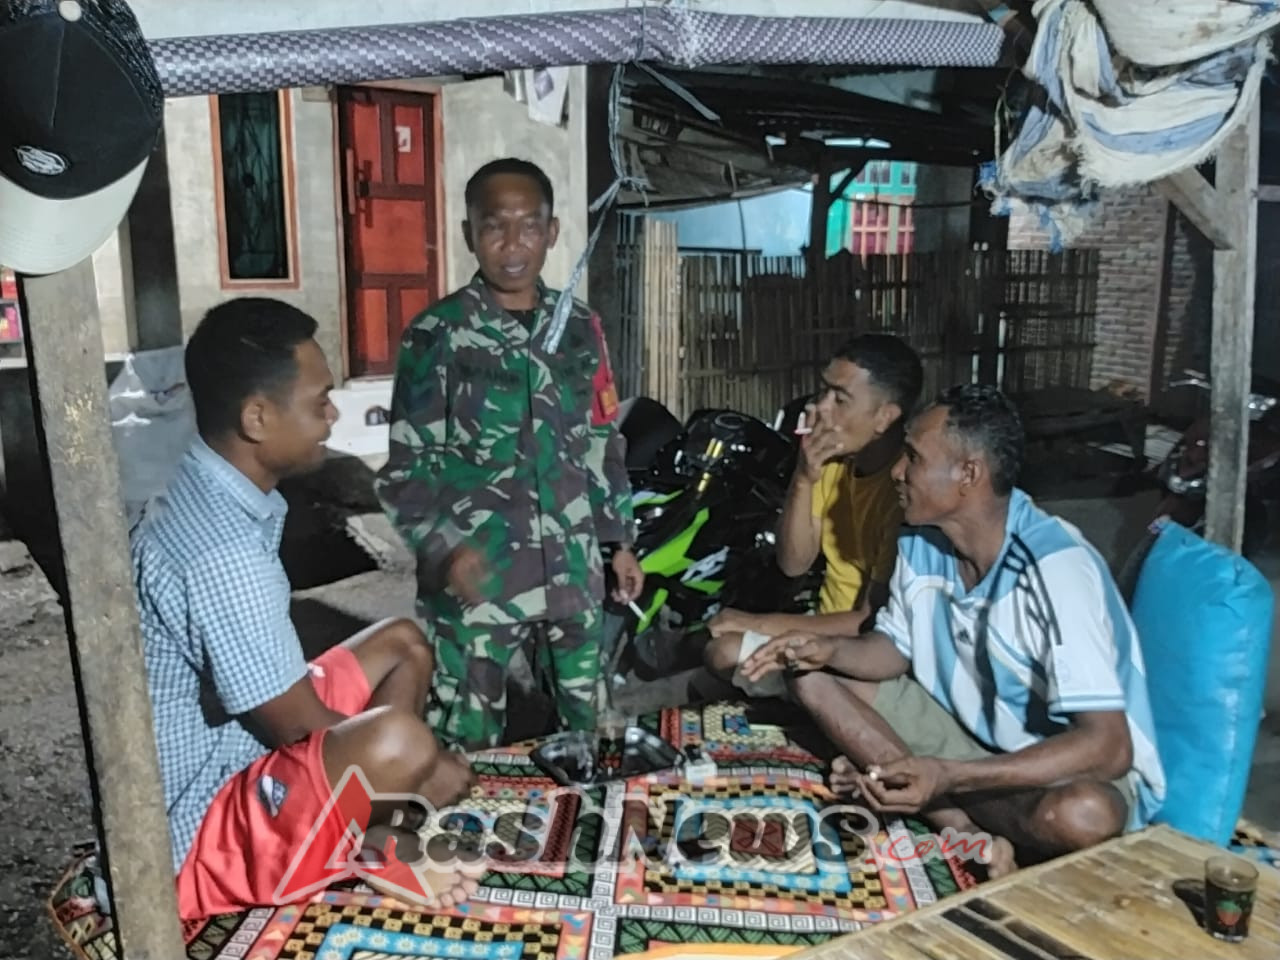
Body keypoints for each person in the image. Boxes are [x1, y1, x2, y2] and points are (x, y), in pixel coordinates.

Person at [132, 298, 478, 920]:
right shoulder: (221, 551)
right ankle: (377, 843)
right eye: (319, 399)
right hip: (196, 827)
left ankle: (374, 827)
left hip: (231, 748)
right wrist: (419, 777)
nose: (333, 412)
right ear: (258, 417)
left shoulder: (210, 489)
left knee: (402, 642)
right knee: (402, 741)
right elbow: (296, 729)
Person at [740, 384, 1166, 875]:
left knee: (1081, 815)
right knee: (808, 675)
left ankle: (928, 792)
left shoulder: (1054, 568)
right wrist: (823, 647)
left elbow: (1109, 749)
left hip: (1056, 768)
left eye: (914, 459)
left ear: (968, 475)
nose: (897, 471)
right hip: (966, 739)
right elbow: (891, 652)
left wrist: (948, 775)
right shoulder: (920, 541)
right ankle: (962, 831)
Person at [375, 158, 643, 751]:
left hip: (573, 570)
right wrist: (446, 551)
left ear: (552, 232)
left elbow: (601, 438)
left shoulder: (580, 327)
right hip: (479, 577)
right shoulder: (436, 335)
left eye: (529, 226)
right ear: (470, 234)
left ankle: (583, 837)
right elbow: (406, 468)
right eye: (495, 226)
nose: (512, 244)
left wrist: (618, 541)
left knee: (591, 728)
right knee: (466, 741)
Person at [703, 334, 923, 698]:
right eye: (823, 393)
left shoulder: (903, 493)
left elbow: (869, 621)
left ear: (885, 417)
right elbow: (793, 563)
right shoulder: (835, 464)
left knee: (726, 651)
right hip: (824, 633)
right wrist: (803, 478)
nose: (821, 407)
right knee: (714, 663)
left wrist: (756, 623)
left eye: (840, 399)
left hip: (865, 651)